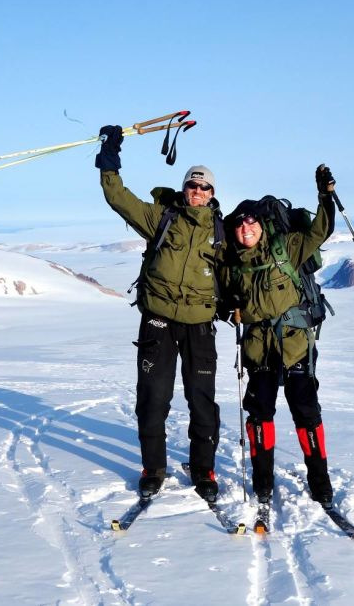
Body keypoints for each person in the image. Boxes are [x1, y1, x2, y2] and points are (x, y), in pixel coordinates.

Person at [95, 124, 224, 501]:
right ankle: (154, 467)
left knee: (202, 400)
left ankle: (204, 468)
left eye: (204, 187)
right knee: (153, 396)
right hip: (158, 321)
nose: (197, 192)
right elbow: (118, 197)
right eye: (191, 185)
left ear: (212, 193)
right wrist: (109, 157)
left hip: (200, 324)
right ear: (184, 189)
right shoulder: (161, 218)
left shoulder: (221, 230)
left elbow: (247, 260)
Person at [220, 165, 337, 506]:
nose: (246, 228)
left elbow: (321, 231)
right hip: (259, 350)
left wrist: (325, 196)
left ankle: (320, 482)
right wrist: (230, 311)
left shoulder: (287, 247)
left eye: (251, 222)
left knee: (307, 412)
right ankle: (263, 483)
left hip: (296, 345)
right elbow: (224, 299)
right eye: (240, 223)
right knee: (259, 414)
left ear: (261, 224)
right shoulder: (231, 262)